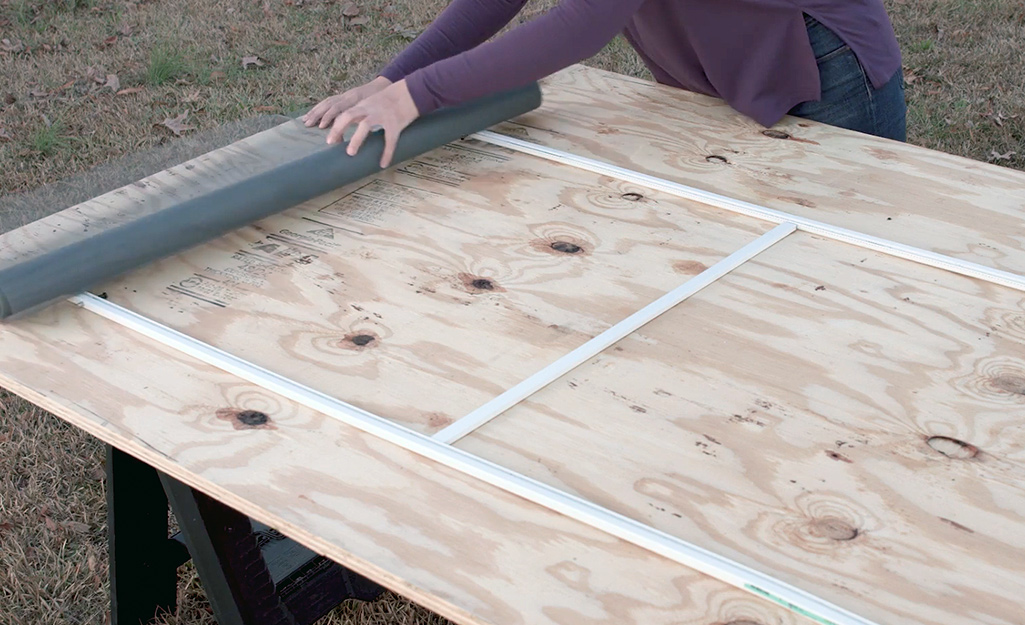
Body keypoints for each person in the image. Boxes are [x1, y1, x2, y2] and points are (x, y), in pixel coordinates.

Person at [302, 0, 907, 169]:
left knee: (843, 271)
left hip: (821, 63)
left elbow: (582, 22)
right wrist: (390, 80)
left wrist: (415, 97)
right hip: (716, 67)